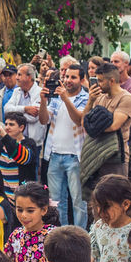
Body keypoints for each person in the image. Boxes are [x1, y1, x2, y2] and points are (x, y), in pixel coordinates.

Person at [39, 63, 89, 227]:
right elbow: (44, 120)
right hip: (54, 155)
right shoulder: (55, 97)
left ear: (82, 80)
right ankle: (61, 235)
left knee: (78, 202)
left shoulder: (86, 98)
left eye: (73, 77)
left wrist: (65, 98)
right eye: (66, 76)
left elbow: (78, 119)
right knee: (56, 201)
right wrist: (42, 101)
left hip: (75, 156)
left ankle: (80, 237)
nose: (68, 80)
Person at [78, 61, 131, 188]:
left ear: (111, 81)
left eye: (100, 81)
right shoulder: (99, 97)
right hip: (97, 156)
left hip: (116, 157)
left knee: (115, 198)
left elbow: (114, 126)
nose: (98, 84)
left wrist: (92, 127)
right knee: (96, 200)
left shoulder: (126, 98)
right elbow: (83, 122)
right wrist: (90, 100)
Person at [4, 63, 47, 147]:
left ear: (29, 77)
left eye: (19, 75)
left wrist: (14, 114)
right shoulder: (17, 91)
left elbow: (33, 118)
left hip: (33, 143)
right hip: (15, 141)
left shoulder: (40, 92)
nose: (16, 77)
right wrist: (25, 109)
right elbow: (6, 109)